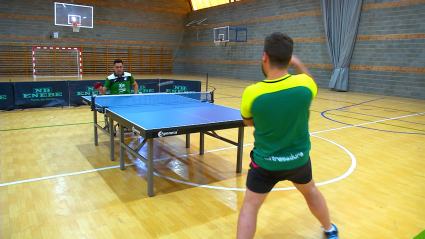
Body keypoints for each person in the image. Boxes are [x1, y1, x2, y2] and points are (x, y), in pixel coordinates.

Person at [237, 32, 338, 239]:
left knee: (250, 207)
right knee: (311, 192)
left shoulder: (252, 92)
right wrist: (298, 63)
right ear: (289, 58)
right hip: (298, 160)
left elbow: (248, 121)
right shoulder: (305, 85)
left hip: (266, 163)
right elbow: (311, 82)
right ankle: (330, 230)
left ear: (264, 57)